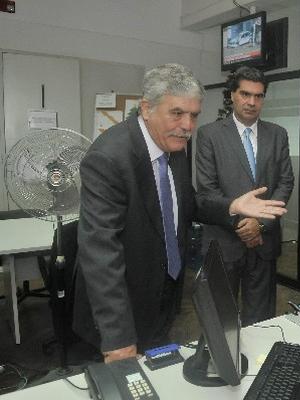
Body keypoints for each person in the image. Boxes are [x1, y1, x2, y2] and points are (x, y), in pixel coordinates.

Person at [72, 64, 287, 363]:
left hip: (164, 294)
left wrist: (232, 206)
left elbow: (188, 204)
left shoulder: (174, 146)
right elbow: (100, 253)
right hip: (122, 310)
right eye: (177, 113)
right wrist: (118, 338)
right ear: (146, 108)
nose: (188, 126)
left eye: (194, 115)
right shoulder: (109, 157)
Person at [196, 66, 294, 326]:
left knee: (261, 319)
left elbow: (285, 182)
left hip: (264, 241)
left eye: (259, 96)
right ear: (232, 95)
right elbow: (207, 191)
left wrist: (259, 223)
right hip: (224, 241)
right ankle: (220, 366)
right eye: (245, 94)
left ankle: (262, 366)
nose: (252, 102)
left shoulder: (278, 134)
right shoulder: (209, 135)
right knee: (220, 318)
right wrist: (242, 224)